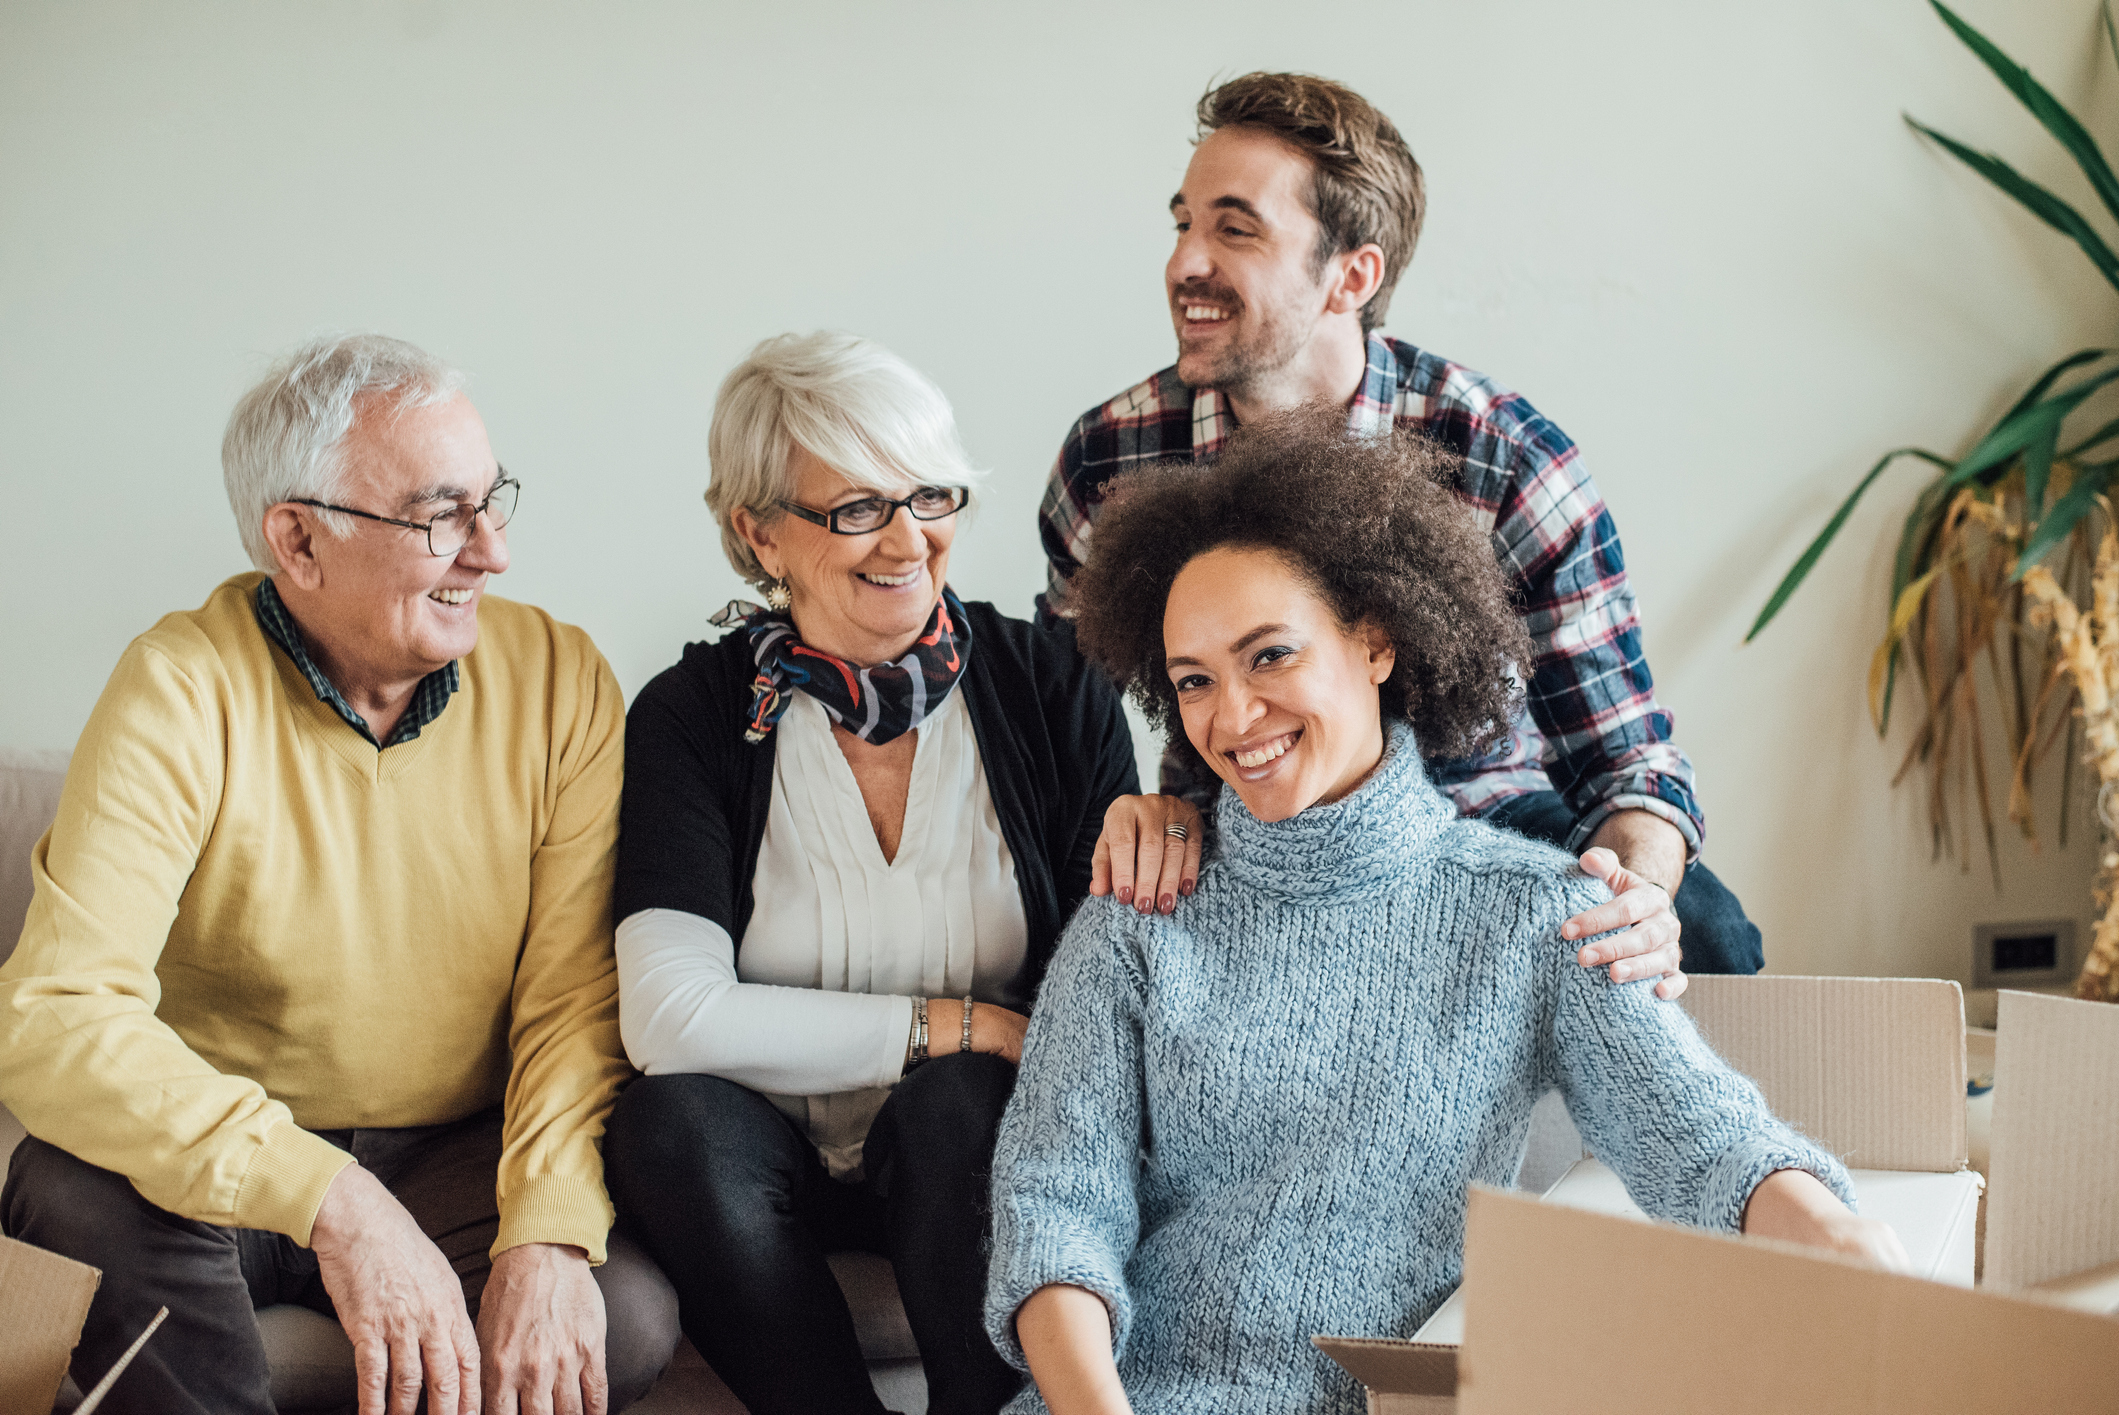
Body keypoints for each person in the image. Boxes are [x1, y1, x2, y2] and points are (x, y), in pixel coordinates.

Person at [987, 412, 1905, 1414]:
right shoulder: (1138, 915)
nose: (1232, 714)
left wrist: (1839, 1238)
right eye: (1193, 680)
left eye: (1270, 655)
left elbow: (1703, 1140)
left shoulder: (1531, 911)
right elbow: (1052, 1211)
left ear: (1374, 640)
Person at [0, 334, 678, 1415]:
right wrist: (332, 1197)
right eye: (439, 514)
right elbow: (56, 1016)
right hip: (211, 1150)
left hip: (456, 1146)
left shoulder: (561, 680)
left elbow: (572, 1002)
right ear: (298, 539)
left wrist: (547, 1228)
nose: (492, 551)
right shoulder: (181, 686)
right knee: (64, 1190)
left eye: (492, 500)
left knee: (626, 1318)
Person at [1042, 71, 1760, 985]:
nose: (1186, 261)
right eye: (1183, 222)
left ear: (1353, 273)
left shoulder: (1501, 456)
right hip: (1243, 829)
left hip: (1477, 824)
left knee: (1709, 932)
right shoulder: (1112, 459)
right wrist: (1139, 810)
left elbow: (1617, 753)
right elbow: (1069, 712)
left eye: (1235, 228)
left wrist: (1638, 898)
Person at [601, 331, 1138, 1415]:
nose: (908, 539)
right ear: (759, 533)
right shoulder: (694, 712)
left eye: (930, 495)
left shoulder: (1053, 685)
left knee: (968, 1098)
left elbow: (1107, 973)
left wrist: (975, 1052)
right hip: (759, 1167)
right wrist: (962, 1019)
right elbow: (667, 1018)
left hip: (965, 1152)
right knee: (671, 1125)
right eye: (855, 507)